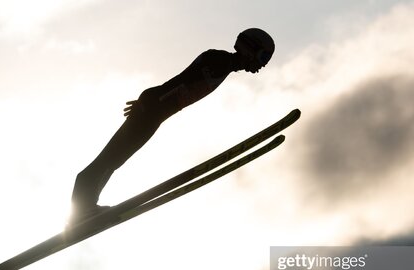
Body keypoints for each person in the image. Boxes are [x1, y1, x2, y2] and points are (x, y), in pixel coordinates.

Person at [70, 28, 275, 222]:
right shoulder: (219, 60)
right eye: (264, 57)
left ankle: (87, 209)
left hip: (155, 110)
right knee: (110, 157)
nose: (263, 64)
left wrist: (151, 105)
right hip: (153, 110)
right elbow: (180, 82)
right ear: (250, 48)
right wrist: (147, 105)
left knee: (114, 160)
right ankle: (81, 211)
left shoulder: (224, 65)